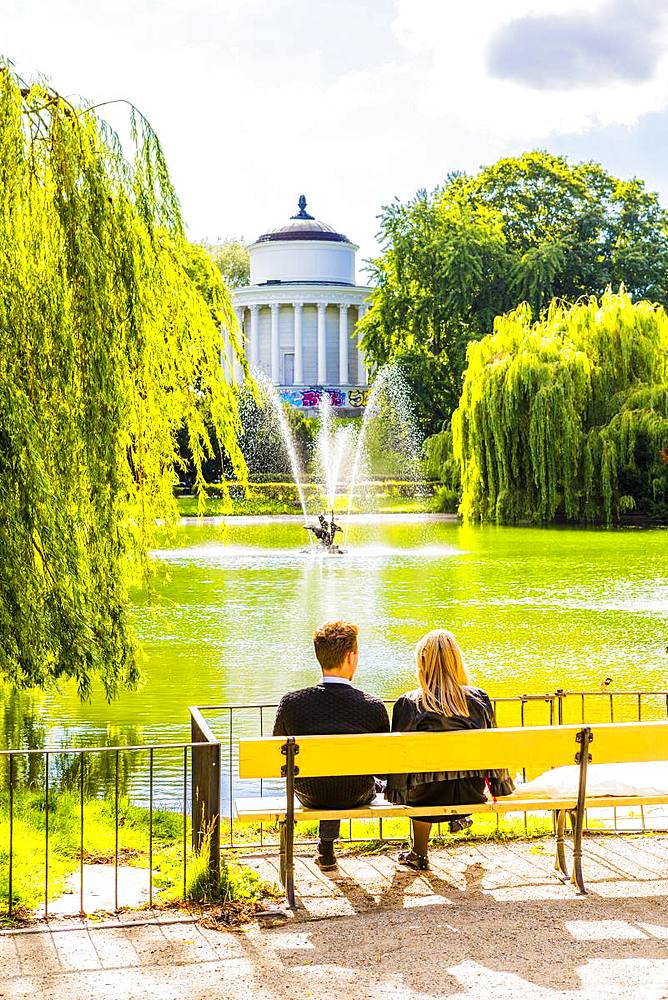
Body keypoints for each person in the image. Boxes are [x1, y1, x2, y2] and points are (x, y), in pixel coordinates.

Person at [386, 629, 514, 871]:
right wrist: (500, 786)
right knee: (450, 775)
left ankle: (419, 853)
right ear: (457, 659)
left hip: (424, 797)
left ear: (422, 662)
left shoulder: (410, 703)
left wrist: (396, 794)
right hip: (470, 792)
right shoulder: (479, 699)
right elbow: (494, 749)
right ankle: (458, 817)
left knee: (422, 782)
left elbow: (399, 758)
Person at [273, 620, 390, 871]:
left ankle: (325, 849)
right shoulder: (372, 706)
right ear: (350, 657)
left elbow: (276, 757)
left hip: (309, 793)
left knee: (328, 774)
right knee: (349, 774)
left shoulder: (292, 703)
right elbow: (383, 768)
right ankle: (326, 848)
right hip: (356, 792)